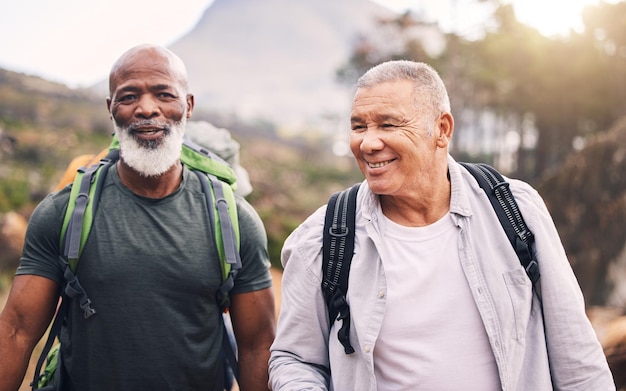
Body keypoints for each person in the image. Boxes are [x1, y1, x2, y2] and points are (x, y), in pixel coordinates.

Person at [269, 60, 615, 390]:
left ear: (442, 129)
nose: (368, 143)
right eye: (359, 126)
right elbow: (294, 358)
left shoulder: (514, 210)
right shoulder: (325, 237)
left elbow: (575, 352)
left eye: (388, 124)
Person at [0, 44, 276, 391]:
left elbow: (257, 347)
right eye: (129, 96)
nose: (147, 108)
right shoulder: (62, 213)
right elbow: (16, 331)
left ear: (187, 106)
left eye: (164, 94)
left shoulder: (236, 221)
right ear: (111, 108)